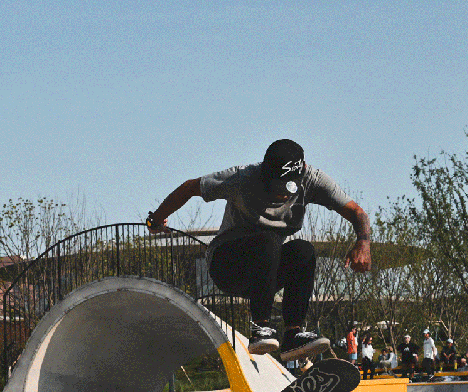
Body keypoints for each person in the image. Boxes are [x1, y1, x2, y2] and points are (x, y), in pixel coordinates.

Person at [146, 139, 372, 362]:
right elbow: (190, 187)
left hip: (265, 273)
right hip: (228, 265)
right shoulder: (241, 177)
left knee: (303, 251)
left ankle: (293, 336)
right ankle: (261, 328)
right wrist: (156, 219)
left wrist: (363, 243)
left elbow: (357, 212)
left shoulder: (313, 180)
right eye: (274, 188)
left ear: (301, 172)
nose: (280, 195)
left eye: (287, 189)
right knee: (268, 240)